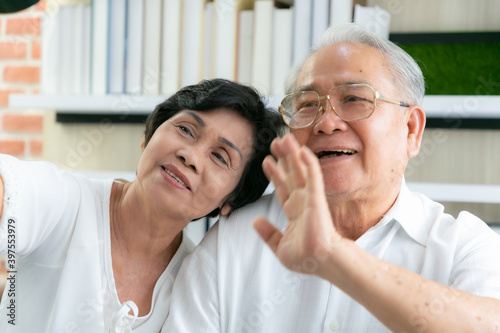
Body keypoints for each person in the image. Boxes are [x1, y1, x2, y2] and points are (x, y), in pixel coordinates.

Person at [163, 24, 500, 332]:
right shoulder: (234, 238)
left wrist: (332, 254)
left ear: (411, 131)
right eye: (308, 104)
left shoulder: (465, 246)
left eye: (354, 99)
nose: (326, 123)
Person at [0, 79, 283, 332]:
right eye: (185, 129)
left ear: (230, 201)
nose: (191, 156)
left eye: (220, 157)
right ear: (148, 136)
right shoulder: (65, 202)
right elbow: (14, 190)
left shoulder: (196, 286)